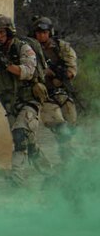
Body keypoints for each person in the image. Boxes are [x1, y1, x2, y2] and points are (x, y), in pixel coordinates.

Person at [0, 14, 51, 185]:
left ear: (9, 31)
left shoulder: (23, 48)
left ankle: (17, 179)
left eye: (0, 32)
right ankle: (49, 174)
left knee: (20, 135)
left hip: (29, 102)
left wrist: (7, 65)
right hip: (11, 106)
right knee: (29, 144)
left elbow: (27, 71)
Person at [31, 16, 79, 164]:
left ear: (50, 32)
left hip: (62, 92)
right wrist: (42, 72)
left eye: (44, 32)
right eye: (38, 32)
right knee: (59, 126)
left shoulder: (61, 47)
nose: (41, 35)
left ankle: (69, 164)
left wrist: (63, 75)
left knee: (70, 130)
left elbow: (72, 68)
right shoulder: (30, 48)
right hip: (44, 95)